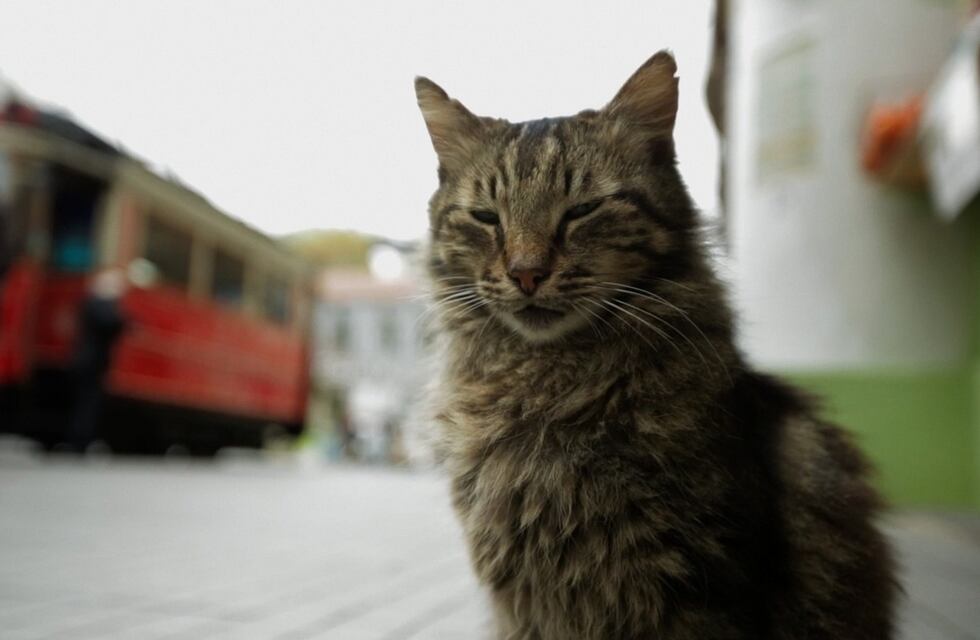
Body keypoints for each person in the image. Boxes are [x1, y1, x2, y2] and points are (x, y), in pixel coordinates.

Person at [66, 268, 128, 453]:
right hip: (91, 362)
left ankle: (79, 439)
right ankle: (80, 441)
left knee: (86, 402)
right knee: (87, 403)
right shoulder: (100, 303)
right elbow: (112, 322)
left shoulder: (93, 303)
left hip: (88, 361)